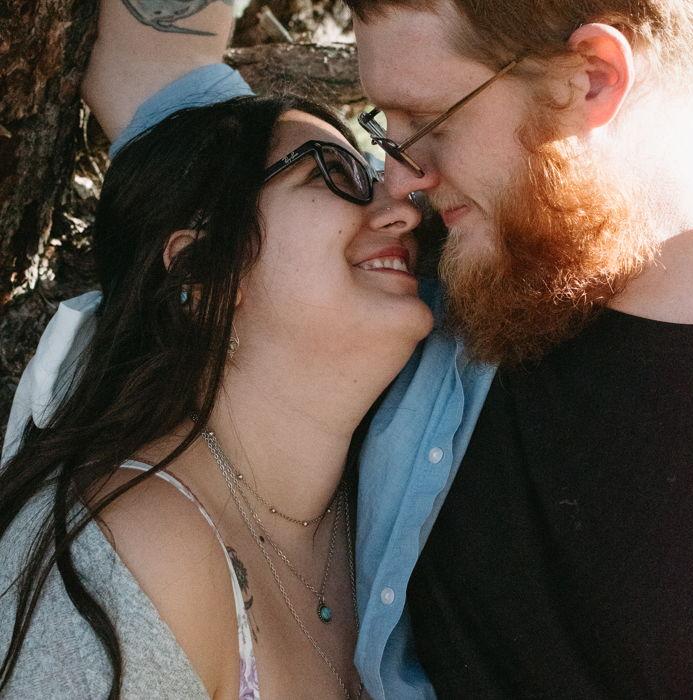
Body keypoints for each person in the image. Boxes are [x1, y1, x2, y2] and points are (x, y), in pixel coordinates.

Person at [0, 9, 434, 699]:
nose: (403, 212)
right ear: (202, 274)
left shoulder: (393, 515)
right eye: (333, 173)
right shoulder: (136, 553)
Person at [342, 0, 693, 698]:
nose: (398, 181)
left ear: (592, 79)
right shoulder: (437, 282)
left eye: (431, 121)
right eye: (387, 127)